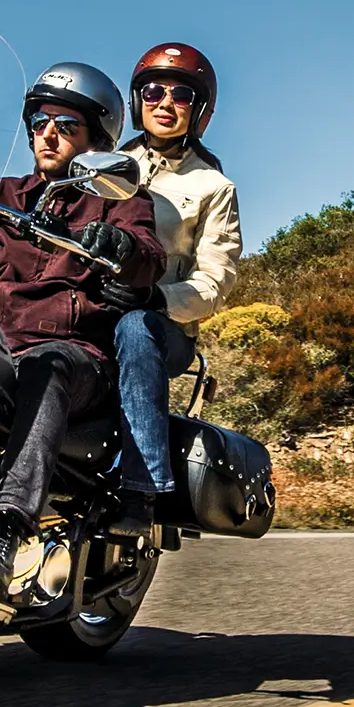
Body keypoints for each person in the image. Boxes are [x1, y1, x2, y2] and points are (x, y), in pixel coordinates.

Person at [0, 62, 164, 604]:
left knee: (46, 365)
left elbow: (148, 256)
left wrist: (121, 249)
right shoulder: (4, 194)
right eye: (39, 122)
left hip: (74, 357)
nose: (47, 133)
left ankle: (4, 530)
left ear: (95, 141)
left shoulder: (119, 198)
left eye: (65, 125)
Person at [105, 42, 243, 536]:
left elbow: (215, 279)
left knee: (134, 328)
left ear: (199, 110)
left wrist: (156, 298)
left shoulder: (212, 186)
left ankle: (143, 491)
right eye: (153, 90)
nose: (164, 102)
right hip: (91, 310)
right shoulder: (102, 162)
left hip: (161, 326)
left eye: (180, 94)